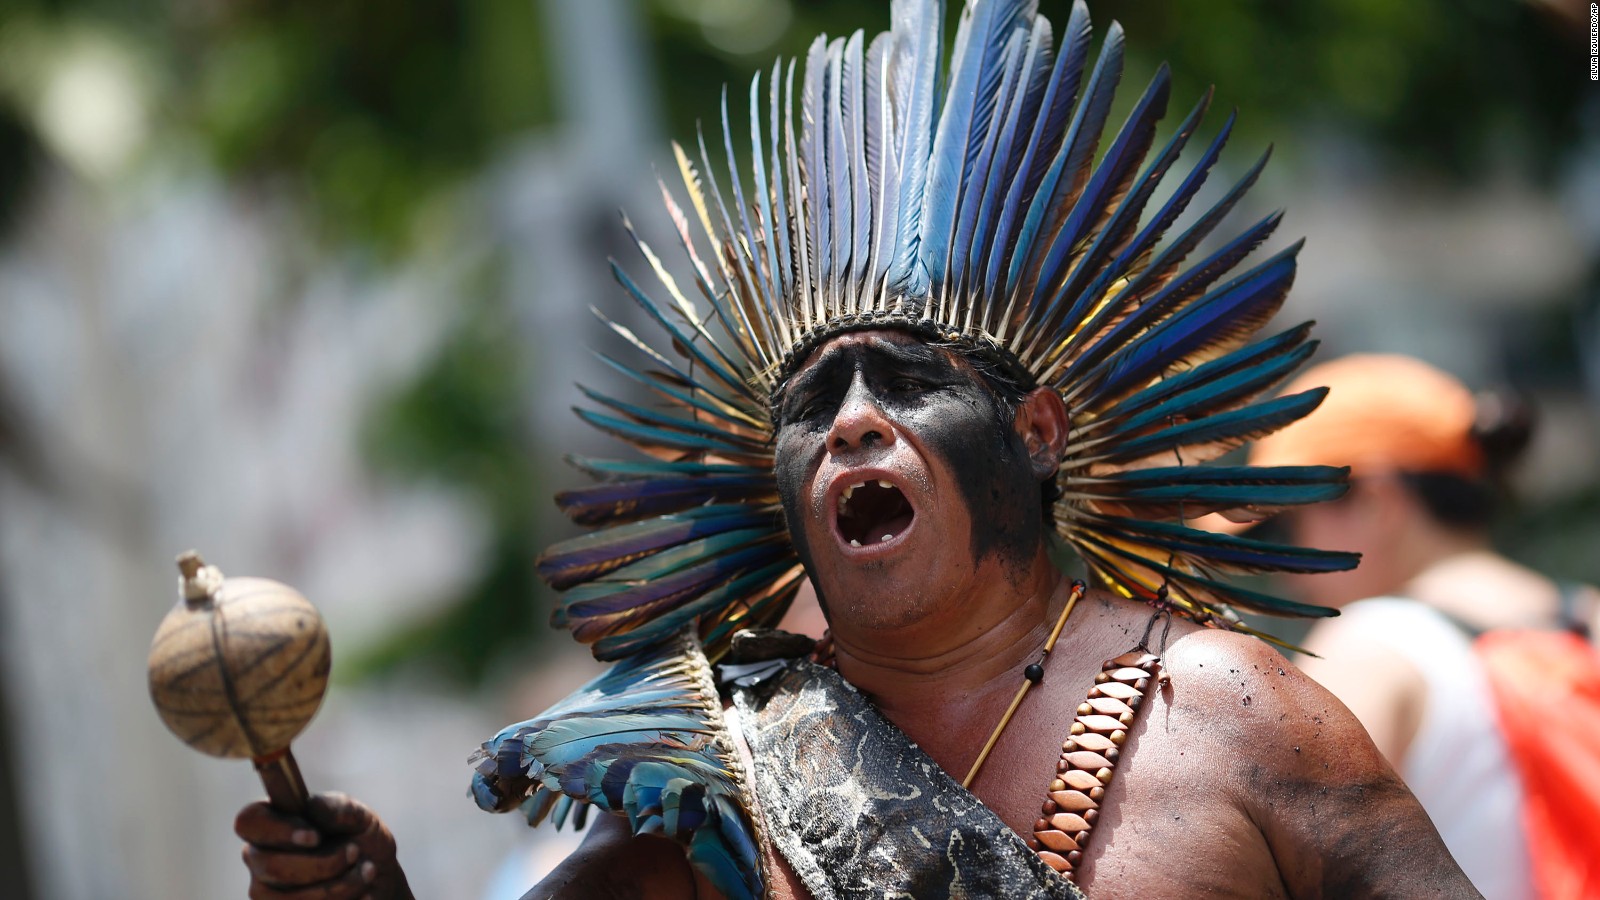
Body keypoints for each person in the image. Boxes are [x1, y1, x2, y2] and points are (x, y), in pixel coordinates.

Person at [234, 2, 1480, 897]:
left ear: (1036, 434)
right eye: (812, 405)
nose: (850, 422)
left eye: (905, 384)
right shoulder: (730, 774)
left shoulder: (1233, 712)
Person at [1248, 353, 1599, 900]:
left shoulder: (1370, 648)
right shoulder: (1588, 617)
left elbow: (1272, 875)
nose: (1285, 570)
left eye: (1286, 529)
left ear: (1375, 502)